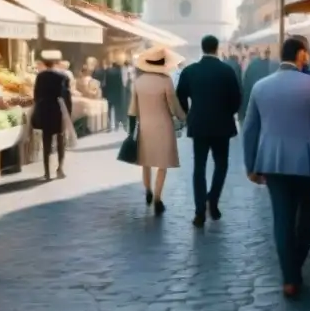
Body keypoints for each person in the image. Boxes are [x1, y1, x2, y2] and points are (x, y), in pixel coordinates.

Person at [242, 37, 310, 299]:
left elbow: (249, 130)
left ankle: (290, 278)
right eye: (306, 53)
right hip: (307, 159)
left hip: (272, 161)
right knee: (305, 218)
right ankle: (295, 268)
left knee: (282, 218)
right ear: (301, 55)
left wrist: (250, 165)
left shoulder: (260, 87)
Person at [177, 35, 242, 227]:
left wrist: (189, 114)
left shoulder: (190, 71)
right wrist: (227, 113)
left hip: (199, 126)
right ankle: (212, 200)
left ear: (202, 48)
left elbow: (180, 95)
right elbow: (237, 99)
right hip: (222, 126)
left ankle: (199, 212)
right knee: (221, 165)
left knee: (199, 167)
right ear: (217, 48)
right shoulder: (227, 71)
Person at [128, 46, 186, 216]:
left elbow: (132, 109)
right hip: (163, 126)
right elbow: (174, 106)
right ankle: (158, 198)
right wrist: (184, 117)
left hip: (144, 125)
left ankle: (147, 189)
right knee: (162, 164)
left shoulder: (138, 82)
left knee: (145, 161)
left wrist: (131, 126)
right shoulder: (166, 81)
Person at [32, 50, 73, 179]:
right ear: (56, 63)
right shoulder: (63, 77)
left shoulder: (40, 76)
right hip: (58, 110)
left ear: (44, 63)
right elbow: (67, 97)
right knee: (61, 140)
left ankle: (46, 172)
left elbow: (36, 95)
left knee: (46, 140)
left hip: (45, 110)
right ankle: (60, 169)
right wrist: (69, 113)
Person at [103, 57, 125, 131]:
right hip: (117, 93)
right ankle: (117, 125)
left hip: (109, 92)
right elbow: (121, 83)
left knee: (109, 109)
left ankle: (108, 125)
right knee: (117, 109)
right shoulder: (119, 72)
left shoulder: (107, 71)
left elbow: (105, 82)